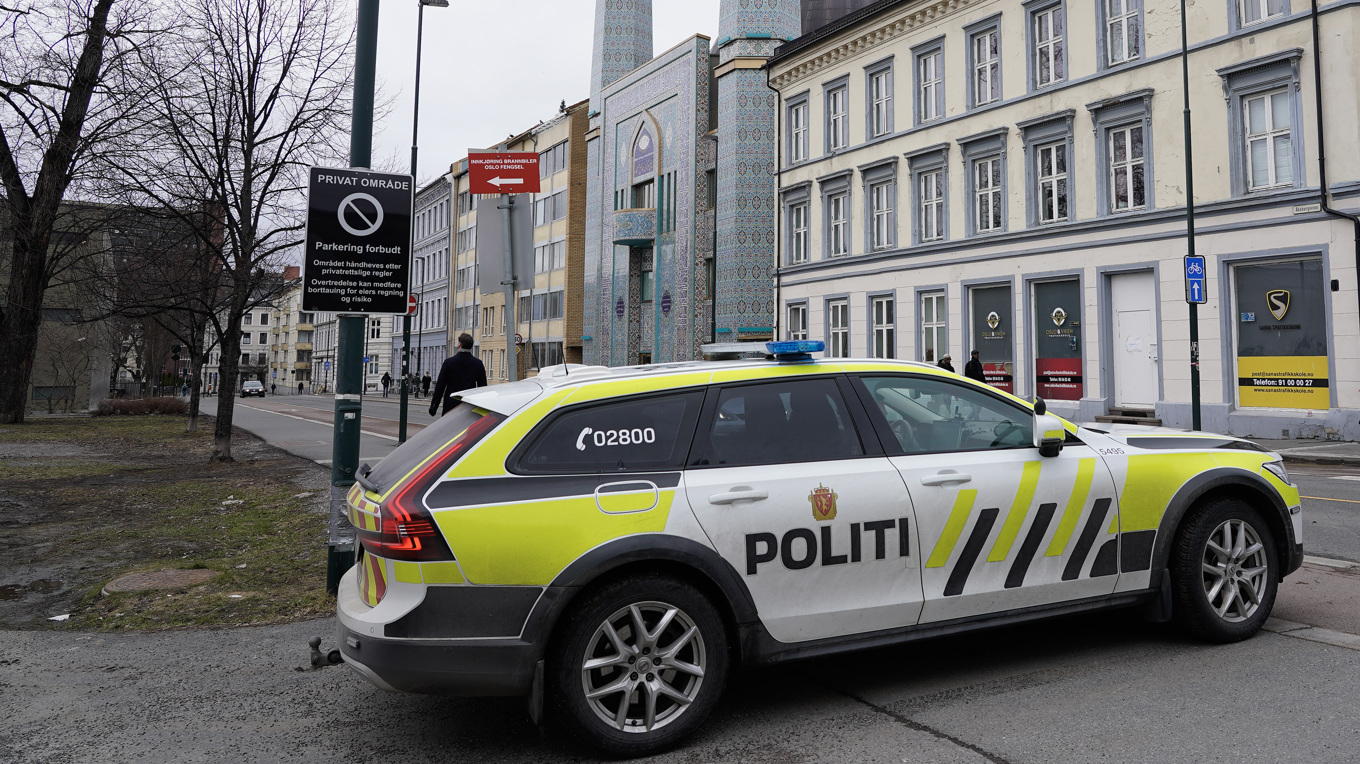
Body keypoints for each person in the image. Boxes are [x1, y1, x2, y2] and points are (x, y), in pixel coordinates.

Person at [429, 333, 487, 416]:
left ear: (459, 344)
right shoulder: (478, 364)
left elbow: (440, 386)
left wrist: (433, 407)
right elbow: (483, 388)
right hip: (469, 405)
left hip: (451, 405)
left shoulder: (449, 362)